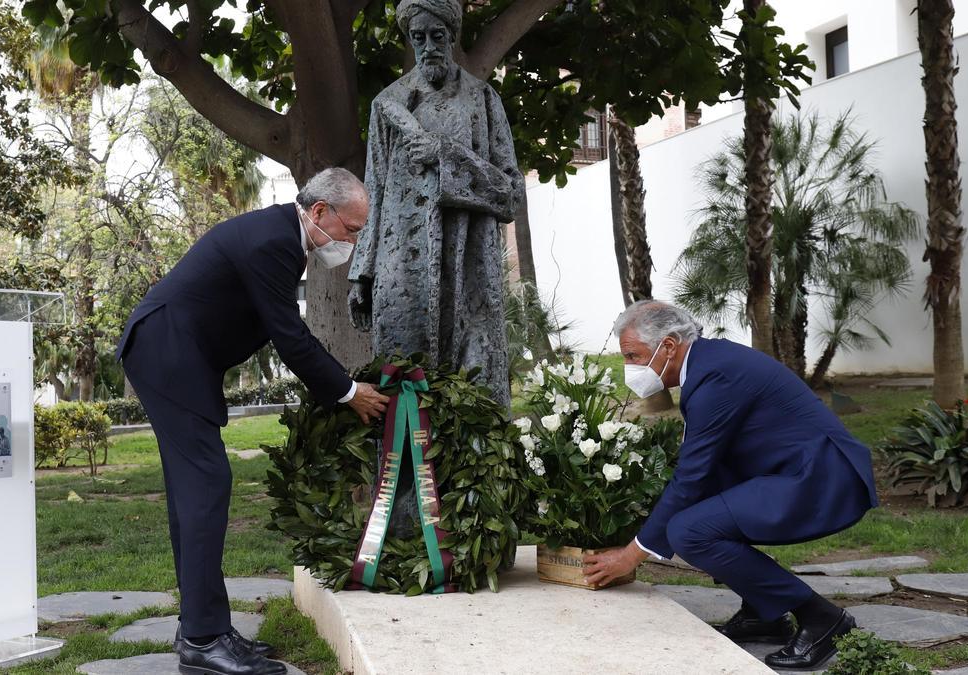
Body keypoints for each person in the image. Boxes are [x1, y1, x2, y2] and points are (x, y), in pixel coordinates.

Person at [116, 167, 389, 675]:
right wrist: (349, 392)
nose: (353, 240)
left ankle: (205, 628)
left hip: (172, 354)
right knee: (206, 485)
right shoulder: (274, 243)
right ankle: (202, 639)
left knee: (195, 491)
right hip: (167, 352)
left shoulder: (278, 236)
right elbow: (290, 337)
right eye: (352, 229)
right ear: (320, 212)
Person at [583, 300, 878, 670]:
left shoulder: (715, 376)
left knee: (689, 531)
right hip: (792, 470)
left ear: (669, 346)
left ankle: (822, 618)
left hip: (819, 479)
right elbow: (701, 472)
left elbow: (691, 475)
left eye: (633, 355)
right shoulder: (710, 364)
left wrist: (632, 554)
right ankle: (762, 614)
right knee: (693, 515)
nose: (629, 367)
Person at [347, 0, 524, 409]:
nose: (428, 46)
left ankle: (476, 473)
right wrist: (362, 271)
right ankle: (402, 475)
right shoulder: (387, 105)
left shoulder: (483, 100)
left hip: (469, 270)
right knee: (402, 384)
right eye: (418, 37)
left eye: (438, 36)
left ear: (452, 36)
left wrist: (445, 155)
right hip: (403, 271)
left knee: (475, 388)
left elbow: (510, 193)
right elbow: (372, 190)